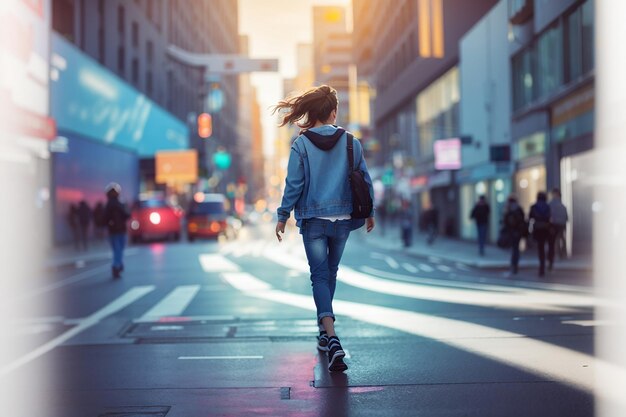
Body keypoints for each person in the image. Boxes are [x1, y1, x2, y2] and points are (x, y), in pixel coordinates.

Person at [272, 85, 375, 373]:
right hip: (342, 219)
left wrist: (282, 215)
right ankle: (325, 332)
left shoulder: (301, 144)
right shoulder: (351, 142)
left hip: (314, 221)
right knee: (329, 274)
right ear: (332, 112)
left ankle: (331, 337)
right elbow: (364, 180)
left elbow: (294, 184)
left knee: (319, 276)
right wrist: (371, 212)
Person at [102, 183, 130, 278]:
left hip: (114, 230)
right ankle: (117, 266)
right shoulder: (119, 204)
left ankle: (118, 265)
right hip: (119, 230)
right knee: (119, 250)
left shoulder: (109, 205)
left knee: (117, 250)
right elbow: (127, 215)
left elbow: (104, 219)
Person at [502, 195, 526, 275]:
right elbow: (523, 220)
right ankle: (515, 264)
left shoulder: (508, 210)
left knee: (513, 249)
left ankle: (513, 264)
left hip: (511, 232)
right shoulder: (519, 209)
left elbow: (505, 222)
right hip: (518, 232)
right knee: (516, 248)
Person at [529, 191, 551, 277]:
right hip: (546, 228)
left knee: (540, 248)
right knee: (546, 245)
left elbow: (530, 217)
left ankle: (542, 266)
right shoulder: (547, 206)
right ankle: (544, 263)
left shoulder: (534, 207)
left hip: (537, 228)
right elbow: (549, 217)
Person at [548, 188, 568, 269]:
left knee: (555, 240)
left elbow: (550, 214)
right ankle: (561, 253)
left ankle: (559, 254)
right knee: (561, 239)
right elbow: (566, 216)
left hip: (555, 224)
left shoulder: (552, 204)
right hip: (561, 224)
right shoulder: (562, 205)